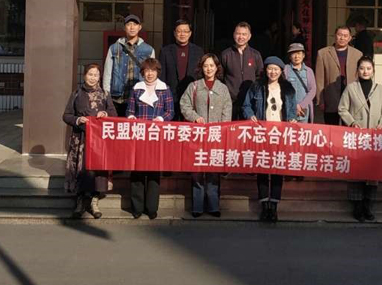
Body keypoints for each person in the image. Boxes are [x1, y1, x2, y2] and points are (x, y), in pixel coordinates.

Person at [242, 56, 297, 222]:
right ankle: (264, 205)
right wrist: (250, 115)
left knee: (278, 170)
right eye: (270, 69)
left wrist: (292, 119)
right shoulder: (257, 86)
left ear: (281, 71)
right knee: (263, 169)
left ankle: (274, 206)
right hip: (262, 134)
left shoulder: (288, 88)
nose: (273, 72)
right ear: (265, 70)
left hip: (280, 135)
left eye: (276, 69)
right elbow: (246, 105)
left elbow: (292, 110)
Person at [338, 56, 382, 222]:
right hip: (357, 137)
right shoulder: (351, 88)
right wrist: (352, 122)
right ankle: (357, 206)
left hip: (375, 137)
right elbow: (342, 109)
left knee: (372, 173)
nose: (365, 71)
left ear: (373, 70)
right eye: (362, 68)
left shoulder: (381, 90)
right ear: (357, 70)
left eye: (368, 68)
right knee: (357, 171)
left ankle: (368, 206)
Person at [62, 63, 116, 219]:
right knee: (81, 169)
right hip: (80, 139)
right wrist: (78, 120)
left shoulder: (105, 94)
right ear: (85, 75)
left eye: (96, 75)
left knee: (97, 170)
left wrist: (105, 114)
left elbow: (113, 113)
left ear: (99, 77)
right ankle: (79, 203)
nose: (93, 78)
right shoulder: (76, 94)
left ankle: (94, 201)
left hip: (99, 141)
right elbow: (66, 115)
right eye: (90, 74)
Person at [180, 53, 232, 218]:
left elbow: (227, 110)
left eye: (211, 66)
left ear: (217, 68)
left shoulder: (223, 89)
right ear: (201, 68)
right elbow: (184, 105)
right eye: (205, 66)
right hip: (197, 135)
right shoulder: (194, 86)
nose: (209, 69)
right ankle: (197, 206)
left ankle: (213, 205)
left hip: (216, 136)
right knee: (197, 171)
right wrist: (195, 117)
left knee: (213, 171)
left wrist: (222, 128)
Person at [126, 58, 174, 219]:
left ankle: (151, 208)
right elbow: (130, 110)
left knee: (154, 172)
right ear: (142, 72)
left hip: (156, 136)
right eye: (147, 70)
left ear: (157, 72)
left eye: (153, 70)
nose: (150, 74)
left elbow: (170, 112)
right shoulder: (136, 89)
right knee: (137, 171)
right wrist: (131, 117)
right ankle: (137, 208)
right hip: (138, 135)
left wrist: (160, 119)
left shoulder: (165, 89)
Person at [103, 15, 155, 116]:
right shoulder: (114, 48)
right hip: (117, 98)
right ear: (124, 27)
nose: (132, 27)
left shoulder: (148, 50)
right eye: (129, 24)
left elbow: (152, 74)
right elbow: (107, 72)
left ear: (140, 27)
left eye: (135, 24)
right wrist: (107, 94)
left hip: (139, 97)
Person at [316, 26, 363, 125]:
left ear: (350, 38)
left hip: (350, 96)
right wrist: (320, 100)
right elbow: (319, 79)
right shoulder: (323, 53)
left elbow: (360, 77)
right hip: (331, 97)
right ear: (335, 36)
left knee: (349, 128)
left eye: (345, 36)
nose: (342, 38)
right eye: (340, 35)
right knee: (331, 128)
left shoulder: (358, 54)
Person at [159, 19, 204, 120]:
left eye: (185, 31)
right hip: (171, 97)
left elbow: (201, 75)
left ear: (190, 33)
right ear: (174, 33)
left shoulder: (198, 51)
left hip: (192, 97)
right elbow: (162, 76)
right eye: (179, 31)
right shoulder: (165, 51)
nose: (182, 34)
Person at [221, 22, 263, 120]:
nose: (241, 37)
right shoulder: (226, 54)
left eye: (244, 34)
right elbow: (220, 76)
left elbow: (260, 76)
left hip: (250, 102)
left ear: (249, 36)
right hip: (231, 101)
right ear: (234, 35)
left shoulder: (255, 55)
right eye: (238, 34)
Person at [284, 43, 316, 123]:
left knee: (304, 130)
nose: (296, 56)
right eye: (293, 54)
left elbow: (312, 90)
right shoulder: (285, 69)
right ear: (290, 56)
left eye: (299, 53)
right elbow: (283, 90)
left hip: (304, 110)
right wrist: (293, 106)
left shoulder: (309, 71)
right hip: (289, 109)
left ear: (303, 55)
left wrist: (301, 105)